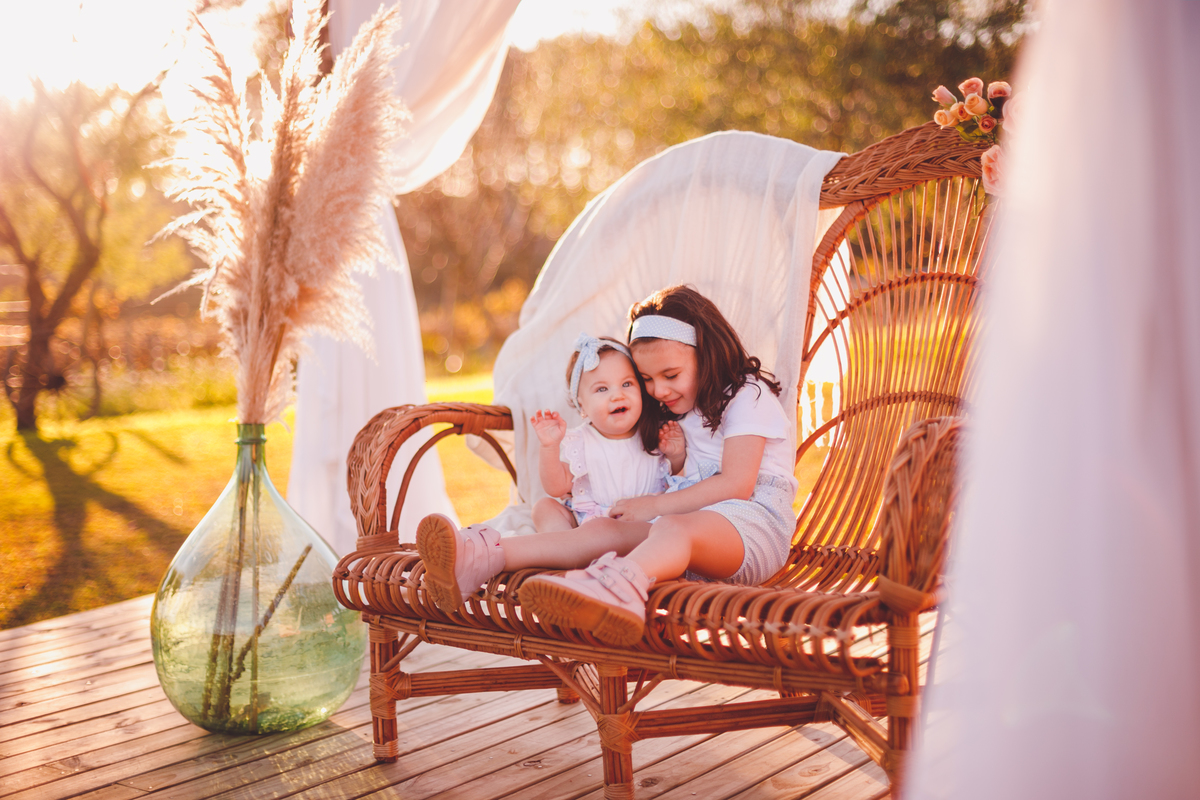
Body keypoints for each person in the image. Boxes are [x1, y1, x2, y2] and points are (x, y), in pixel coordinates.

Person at [416, 285, 797, 646]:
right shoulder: (679, 407)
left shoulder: (746, 395)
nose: (659, 391)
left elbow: (736, 485)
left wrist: (653, 506)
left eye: (670, 375)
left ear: (707, 353)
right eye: (646, 379)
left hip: (753, 528)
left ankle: (616, 591)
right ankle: (479, 558)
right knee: (602, 530)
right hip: (687, 536)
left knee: (671, 526)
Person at [529, 334, 686, 533]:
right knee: (544, 507)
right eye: (602, 389)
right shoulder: (581, 441)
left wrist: (676, 455)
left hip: (646, 524)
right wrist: (549, 447)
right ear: (581, 403)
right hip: (592, 527)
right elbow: (557, 488)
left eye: (627, 384)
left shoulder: (655, 432)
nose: (617, 395)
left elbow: (673, 474)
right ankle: (565, 547)